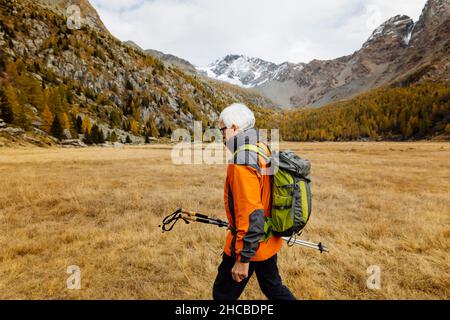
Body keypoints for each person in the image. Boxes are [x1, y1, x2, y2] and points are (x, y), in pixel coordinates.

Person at [212, 103, 296, 300]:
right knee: (274, 289)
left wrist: (243, 258)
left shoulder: (241, 160)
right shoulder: (261, 148)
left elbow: (251, 213)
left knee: (222, 295)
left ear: (234, 128)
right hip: (267, 240)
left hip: (249, 244)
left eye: (223, 129)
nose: (222, 136)